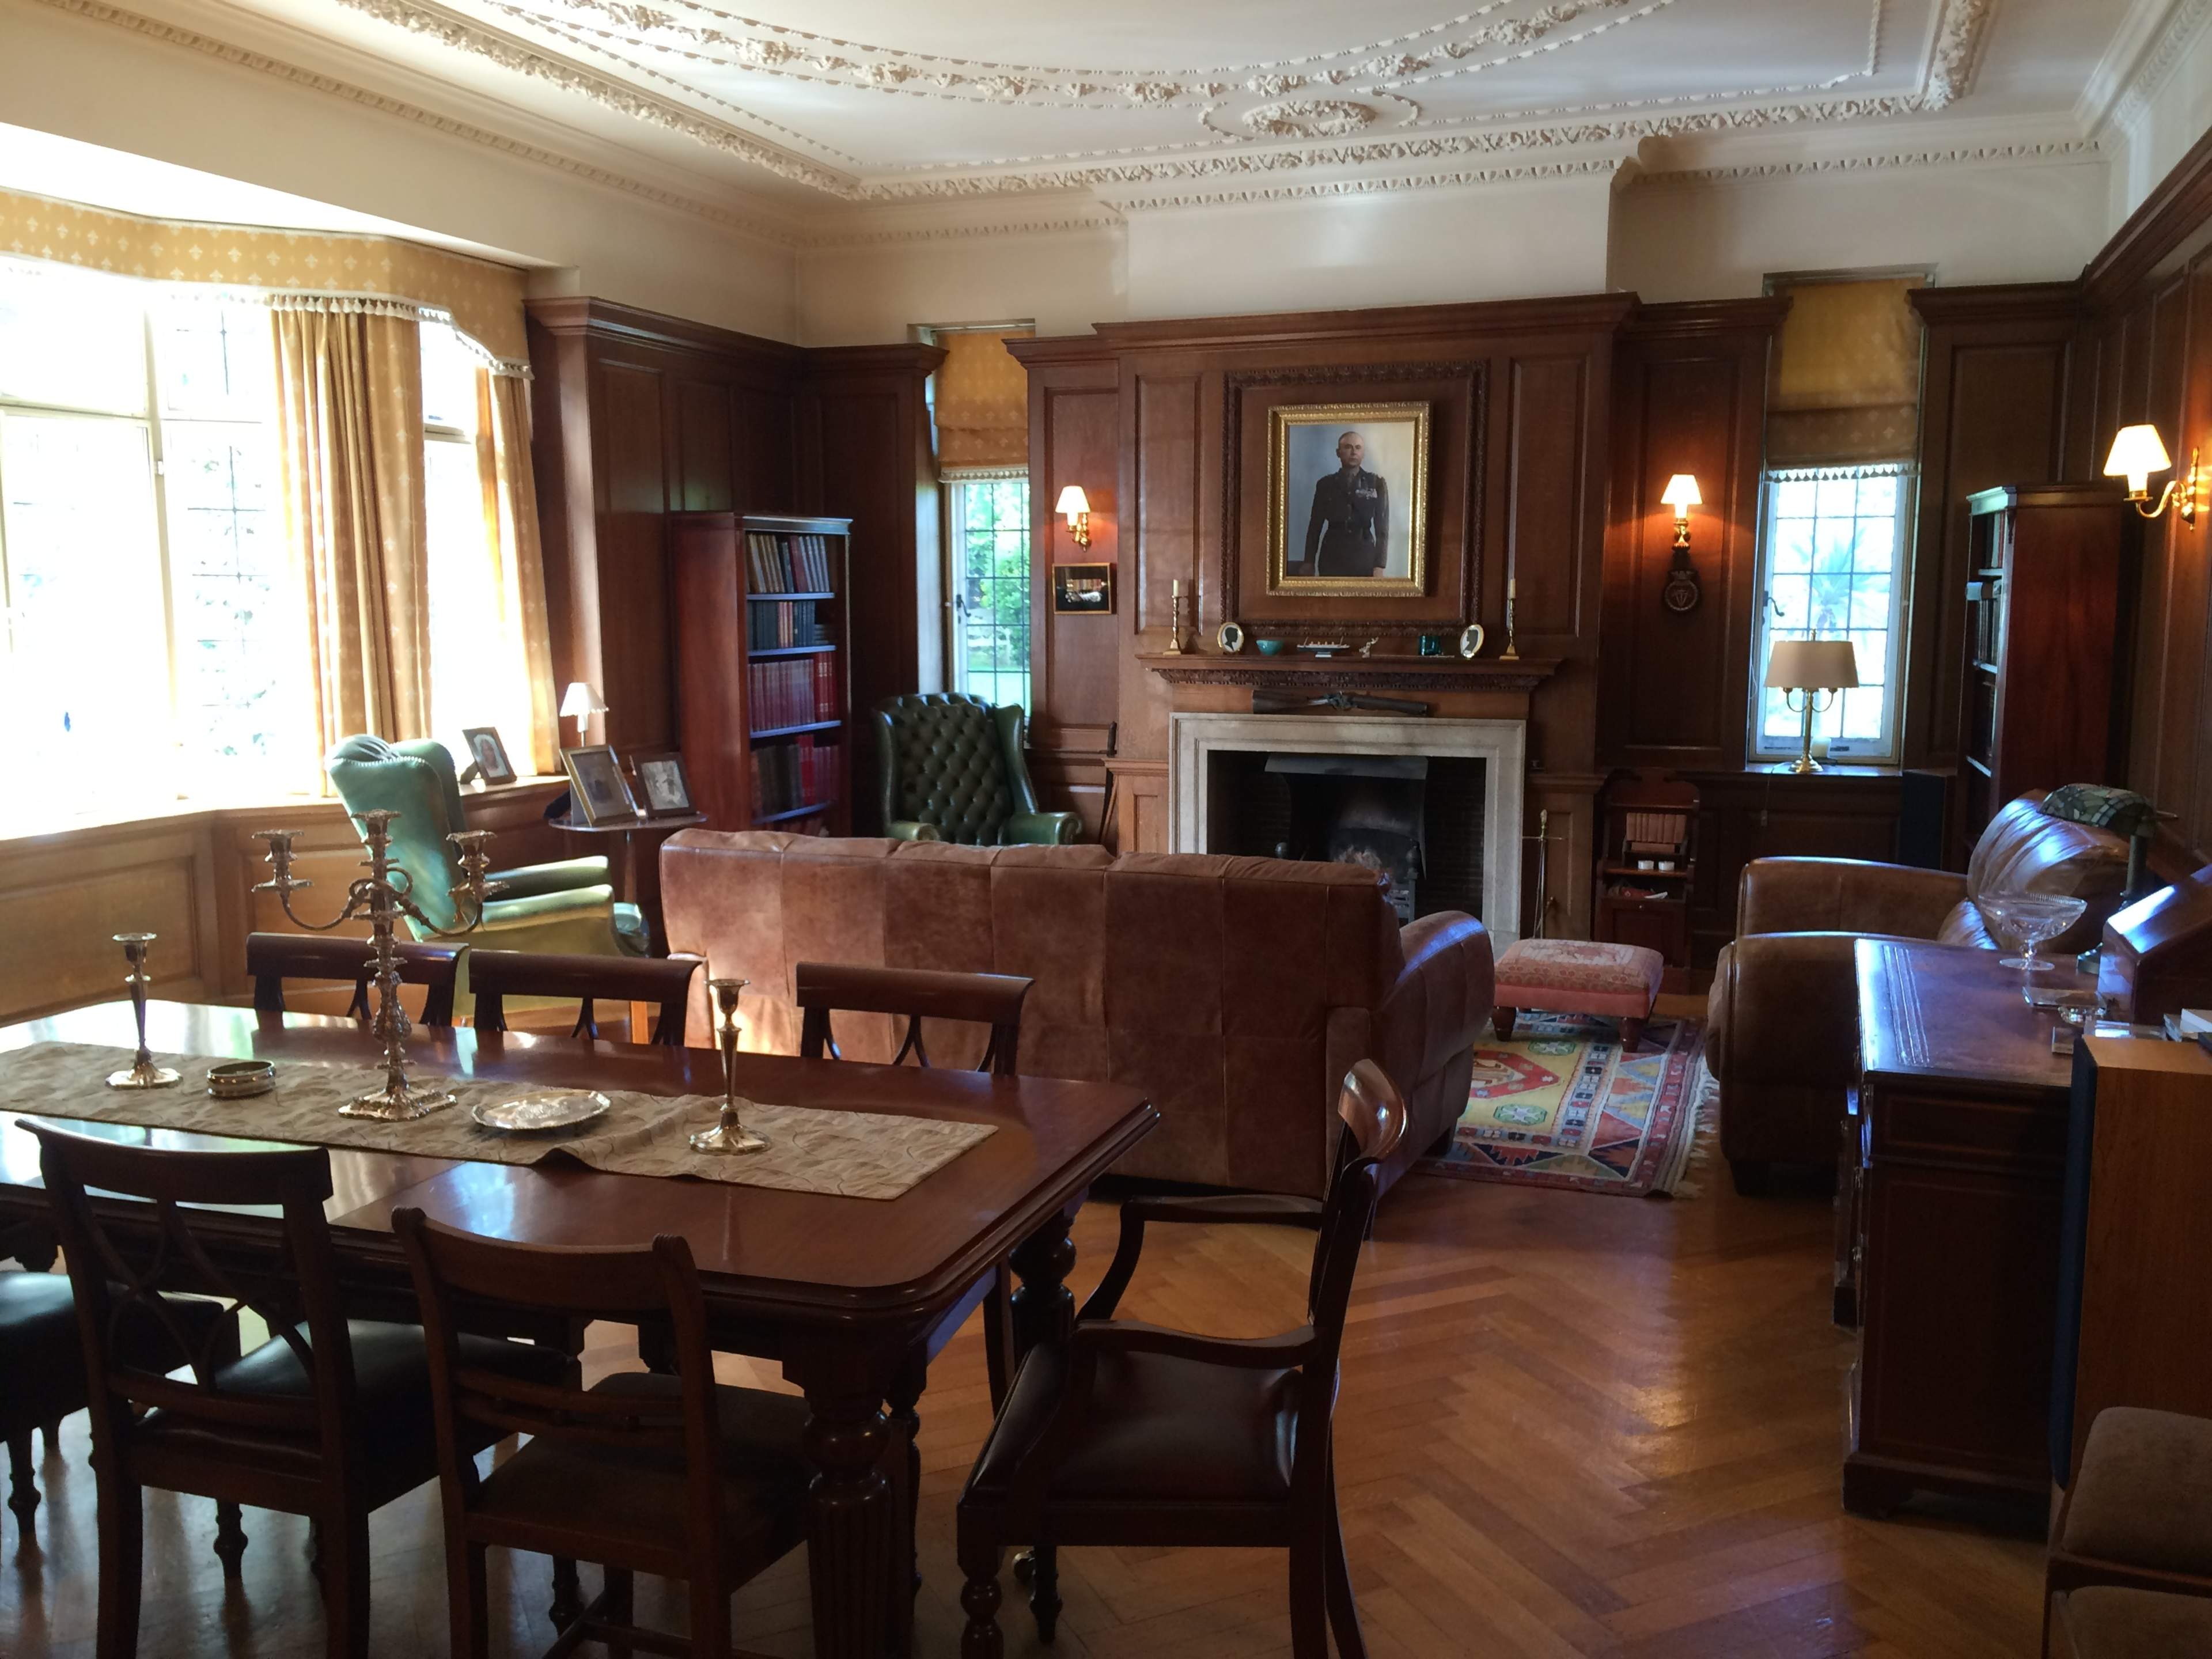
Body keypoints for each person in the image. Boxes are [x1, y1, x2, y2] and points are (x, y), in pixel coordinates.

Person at [1300, 429, 1389, 577]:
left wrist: (1379, 565)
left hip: (1364, 556)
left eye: (1358, 448)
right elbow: (1315, 526)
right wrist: (1309, 561)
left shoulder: (1376, 483)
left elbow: (1382, 528)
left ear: (1363, 453)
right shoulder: (1325, 484)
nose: (1354, 452)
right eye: (1348, 447)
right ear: (1338, 452)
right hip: (1332, 556)